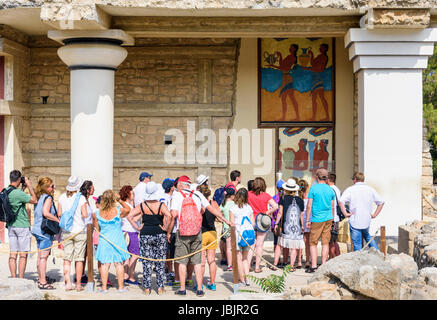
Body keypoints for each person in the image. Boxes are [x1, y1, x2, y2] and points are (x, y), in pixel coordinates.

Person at [170, 175, 231, 297]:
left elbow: (174, 214)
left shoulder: (177, 195)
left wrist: (169, 229)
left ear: (181, 185)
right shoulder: (197, 194)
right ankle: (199, 289)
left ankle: (182, 289)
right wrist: (225, 220)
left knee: (182, 261)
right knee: (197, 262)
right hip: (197, 232)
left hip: (182, 232)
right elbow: (210, 208)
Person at [127, 181, 173, 295]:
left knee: (147, 262)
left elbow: (130, 216)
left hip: (145, 234)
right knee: (160, 261)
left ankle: (147, 288)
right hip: (159, 233)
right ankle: (160, 287)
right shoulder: (161, 205)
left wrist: (137, 227)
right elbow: (169, 215)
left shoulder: (142, 205)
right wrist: (165, 227)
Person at [93, 189, 131, 293]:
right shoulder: (118, 211)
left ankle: (104, 288)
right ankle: (121, 288)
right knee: (119, 264)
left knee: (105, 264)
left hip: (105, 240)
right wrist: (120, 200)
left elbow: (97, 228)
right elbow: (128, 209)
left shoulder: (96, 213)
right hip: (117, 239)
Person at [340, 172, 384, 251]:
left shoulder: (350, 189)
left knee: (357, 243)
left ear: (355, 180)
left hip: (355, 219)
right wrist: (374, 215)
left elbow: (341, 201)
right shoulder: (370, 189)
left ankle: (359, 259)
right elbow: (381, 202)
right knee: (367, 236)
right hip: (366, 219)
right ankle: (377, 253)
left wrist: (345, 213)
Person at [6, 170, 38, 279]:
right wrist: (29, 186)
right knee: (23, 254)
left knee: (13, 254)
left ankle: (14, 277)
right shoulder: (19, 193)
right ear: (19, 179)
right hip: (22, 225)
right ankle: (20, 278)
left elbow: (16, 200)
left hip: (11, 225)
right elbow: (34, 200)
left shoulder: (5, 191)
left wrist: (22, 189)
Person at [58, 175, 88, 291]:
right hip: (79, 231)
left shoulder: (61, 197)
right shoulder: (81, 198)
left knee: (67, 258)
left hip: (66, 231)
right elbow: (85, 215)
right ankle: (79, 284)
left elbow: (60, 214)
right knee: (79, 259)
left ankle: (68, 283)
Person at [305, 168, 335, 273]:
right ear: (326, 178)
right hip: (328, 218)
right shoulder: (330, 189)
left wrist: (308, 219)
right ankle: (323, 265)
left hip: (317, 218)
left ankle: (313, 265)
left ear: (317, 177)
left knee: (313, 243)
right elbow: (332, 207)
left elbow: (309, 206)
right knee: (325, 242)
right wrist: (333, 219)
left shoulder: (313, 189)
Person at [32, 177, 59, 289]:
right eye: (52, 186)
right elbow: (46, 213)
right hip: (44, 232)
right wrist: (58, 220)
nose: (53, 188)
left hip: (37, 230)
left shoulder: (39, 197)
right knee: (43, 257)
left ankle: (40, 278)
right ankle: (43, 282)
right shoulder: (48, 198)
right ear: (46, 187)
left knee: (40, 256)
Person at [272, 179, 305, 271]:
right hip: (297, 227)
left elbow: (280, 213)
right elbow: (301, 215)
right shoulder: (300, 200)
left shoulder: (283, 198)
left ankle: (275, 264)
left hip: (285, 226)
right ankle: (291, 266)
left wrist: (276, 223)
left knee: (279, 245)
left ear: (286, 189)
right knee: (293, 247)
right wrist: (302, 226)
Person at [247, 177, 278, 273]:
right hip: (262, 222)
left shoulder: (249, 195)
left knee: (251, 245)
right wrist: (267, 212)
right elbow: (275, 206)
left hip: (250, 220)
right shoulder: (266, 196)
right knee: (259, 245)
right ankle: (257, 267)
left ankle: (248, 265)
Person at [198, 184, 222, 291]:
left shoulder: (200, 204)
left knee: (202, 261)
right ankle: (212, 283)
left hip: (202, 233)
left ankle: (200, 285)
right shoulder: (214, 203)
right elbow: (220, 217)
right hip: (213, 232)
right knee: (211, 260)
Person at [229, 188, 254, 286]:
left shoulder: (233, 208)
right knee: (245, 258)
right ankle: (247, 279)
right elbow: (253, 222)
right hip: (248, 235)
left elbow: (232, 223)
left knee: (238, 258)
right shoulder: (248, 207)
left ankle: (242, 280)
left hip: (238, 235)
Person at [119, 185, 140, 286]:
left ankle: (126, 275)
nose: (134, 195)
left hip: (124, 231)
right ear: (127, 194)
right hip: (131, 231)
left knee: (126, 256)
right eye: (132, 193)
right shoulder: (127, 206)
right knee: (135, 255)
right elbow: (131, 219)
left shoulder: (125, 205)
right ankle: (130, 276)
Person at [160, 178, 177, 285]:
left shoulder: (163, 197)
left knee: (168, 252)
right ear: (171, 187)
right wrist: (167, 230)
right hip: (169, 228)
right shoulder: (167, 198)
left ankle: (168, 270)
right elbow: (167, 215)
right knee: (169, 252)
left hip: (166, 227)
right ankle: (169, 271)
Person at [76, 180, 94, 285]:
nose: (94, 190)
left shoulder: (87, 200)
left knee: (86, 254)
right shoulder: (82, 200)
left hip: (89, 230)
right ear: (88, 190)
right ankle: (81, 275)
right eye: (92, 188)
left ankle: (82, 273)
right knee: (81, 254)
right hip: (83, 230)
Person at [219, 187, 236, 271]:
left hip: (226, 228)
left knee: (228, 247)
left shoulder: (223, 204)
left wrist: (223, 220)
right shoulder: (235, 204)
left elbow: (219, 215)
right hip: (234, 227)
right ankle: (235, 262)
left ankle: (229, 265)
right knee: (235, 247)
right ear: (232, 196)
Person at [327, 173, 341, 258]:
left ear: (328, 180)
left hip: (332, 217)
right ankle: (338, 257)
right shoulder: (337, 189)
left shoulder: (330, 190)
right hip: (336, 217)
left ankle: (332, 258)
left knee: (330, 241)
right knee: (334, 240)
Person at [272, 179, 286, 267]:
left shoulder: (273, 198)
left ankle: (277, 260)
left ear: (277, 188)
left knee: (276, 242)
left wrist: (272, 223)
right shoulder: (287, 197)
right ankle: (284, 260)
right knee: (284, 243)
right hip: (285, 223)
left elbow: (271, 212)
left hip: (275, 222)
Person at [298, 179, 311, 269]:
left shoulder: (297, 198)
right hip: (308, 220)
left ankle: (299, 261)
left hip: (298, 220)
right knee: (307, 243)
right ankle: (307, 261)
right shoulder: (309, 197)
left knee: (299, 242)